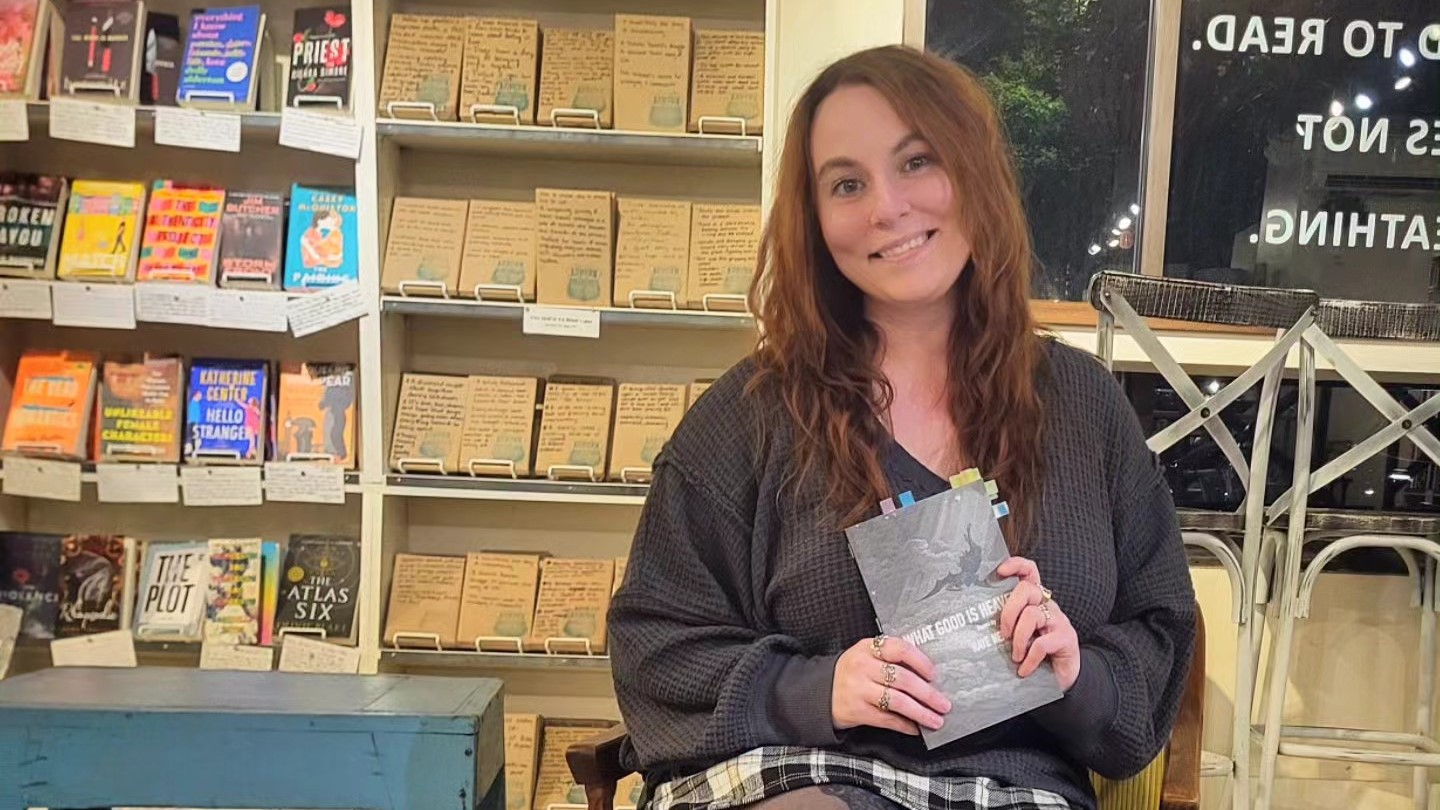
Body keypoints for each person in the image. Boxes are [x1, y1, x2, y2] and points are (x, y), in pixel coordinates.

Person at [607, 44, 1197, 810]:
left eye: (917, 162)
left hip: (1012, 791)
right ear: (814, 219)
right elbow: (653, 647)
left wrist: (1071, 669)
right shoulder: (747, 418)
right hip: (800, 777)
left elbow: (1157, 643)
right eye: (847, 183)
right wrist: (819, 689)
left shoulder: (1085, 411)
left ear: (975, 174)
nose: (887, 206)